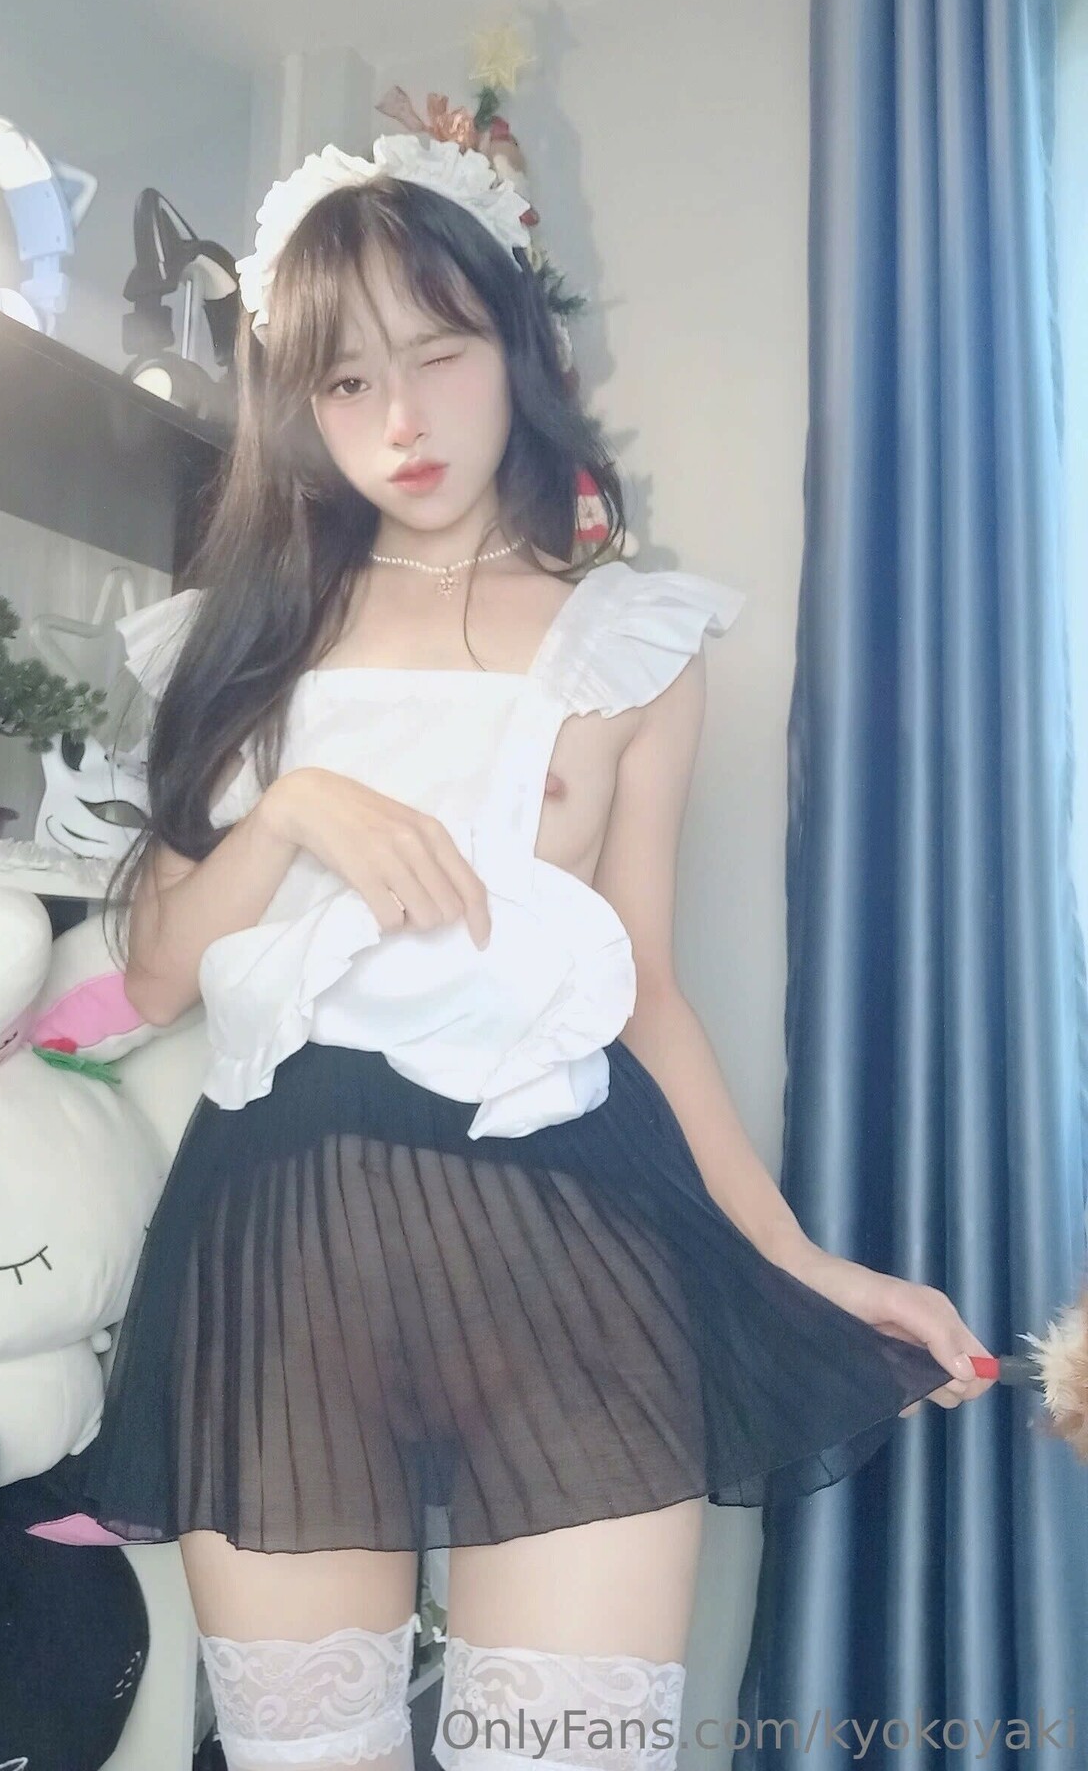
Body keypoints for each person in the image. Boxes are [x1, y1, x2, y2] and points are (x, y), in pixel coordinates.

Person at [82, 133, 992, 1771]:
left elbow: (645, 991)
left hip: (571, 1252)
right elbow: (151, 980)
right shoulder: (236, 642)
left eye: (438, 354)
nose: (402, 421)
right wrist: (293, 812)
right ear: (301, 407)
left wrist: (799, 1261)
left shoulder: (634, 640)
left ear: (517, 345)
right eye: (347, 382)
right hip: (278, 1264)